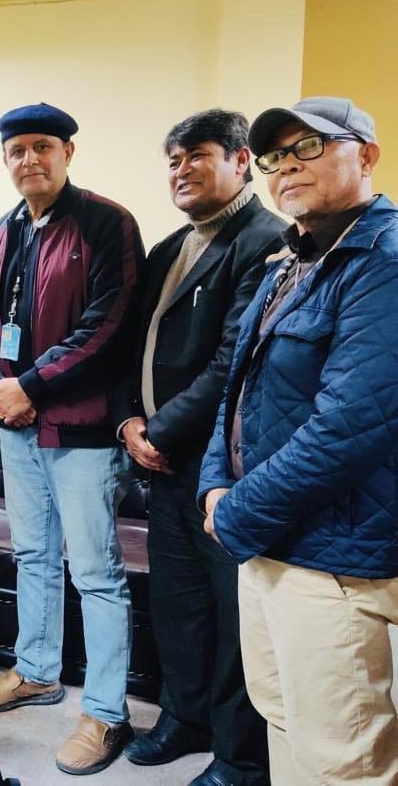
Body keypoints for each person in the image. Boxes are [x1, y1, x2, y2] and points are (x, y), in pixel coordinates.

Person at [198, 96, 398, 785]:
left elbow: (352, 425)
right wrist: (213, 483)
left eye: (308, 147)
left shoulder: (383, 260)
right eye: (274, 156)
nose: (287, 166)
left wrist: (234, 512)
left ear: (366, 156)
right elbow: (237, 390)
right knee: (282, 720)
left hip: (331, 559)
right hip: (269, 543)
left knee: (340, 759)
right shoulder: (292, 259)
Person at [0, 103, 145, 776]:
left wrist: (30, 386)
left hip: (82, 432)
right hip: (16, 429)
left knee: (96, 574)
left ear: (68, 152)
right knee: (33, 556)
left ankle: (104, 711)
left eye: (42, 146)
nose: (29, 159)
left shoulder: (106, 223)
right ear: (4, 160)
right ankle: (36, 671)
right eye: (17, 150)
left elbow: (108, 326)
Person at [114, 109, 281, 785]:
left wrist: (158, 431)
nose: (181, 170)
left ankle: (239, 758)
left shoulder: (265, 241)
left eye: (197, 155)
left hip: (223, 468)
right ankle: (182, 718)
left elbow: (230, 362)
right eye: (173, 160)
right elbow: (134, 348)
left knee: (233, 615)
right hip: (161, 464)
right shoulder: (168, 248)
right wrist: (128, 421)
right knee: (178, 605)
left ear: (239, 161)